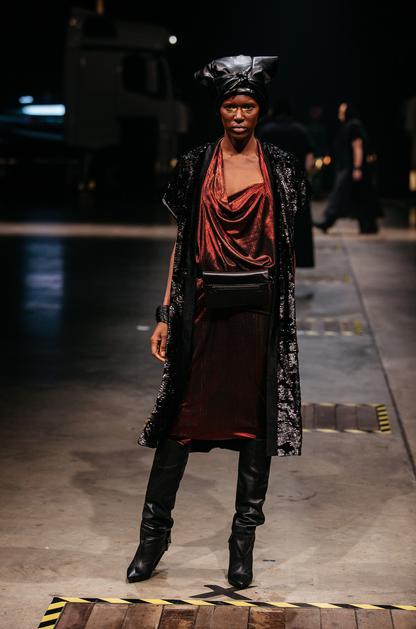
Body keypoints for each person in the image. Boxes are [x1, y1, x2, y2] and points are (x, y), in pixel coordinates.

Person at [127, 55, 310, 589]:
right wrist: (165, 314)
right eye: (230, 106)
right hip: (202, 313)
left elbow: (288, 248)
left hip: (258, 317)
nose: (238, 115)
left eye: (247, 106)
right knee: (180, 421)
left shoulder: (281, 166)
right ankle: (152, 539)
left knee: (255, 424)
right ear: (219, 110)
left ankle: (242, 546)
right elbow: (181, 245)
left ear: (260, 110)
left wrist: (287, 315)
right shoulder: (195, 164)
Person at [257, 98, 315, 268]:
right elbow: (309, 159)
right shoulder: (301, 130)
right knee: (298, 224)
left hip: (271, 183)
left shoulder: (265, 131)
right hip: (295, 183)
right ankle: (300, 259)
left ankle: (271, 259)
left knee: (271, 223)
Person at [313, 101, 381, 234]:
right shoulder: (349, 126)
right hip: (348, 166)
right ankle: (368, 225)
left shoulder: (354, 126)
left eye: (342, 111)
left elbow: (358, 147)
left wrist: (357, 168)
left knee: (339, 195)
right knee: (361, 196)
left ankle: (328, 220)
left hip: (350, 168)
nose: (340, 113)